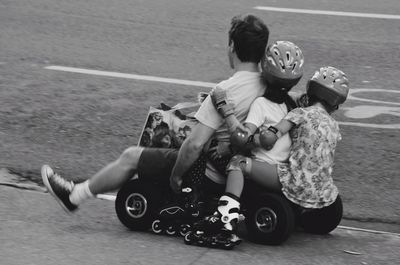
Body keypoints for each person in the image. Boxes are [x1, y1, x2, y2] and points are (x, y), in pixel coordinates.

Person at [41, 14, 270, 222]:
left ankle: (74, 196)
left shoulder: (225, 90)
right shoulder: (268, 85)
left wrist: (177, 175)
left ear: (232, 46)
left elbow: (195, 145)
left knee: (132, 154)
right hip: (244, 164)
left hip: (211, 170)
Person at [207, 66, 349, 238]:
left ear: (310, 90)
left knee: (238, 163)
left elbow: (268, 139)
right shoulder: (334, 125)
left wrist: (241, 142)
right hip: (322, 188)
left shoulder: (300, 114)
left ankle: (225, 218)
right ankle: (301, 212)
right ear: (335, 104)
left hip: (295, 181)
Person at [187, 41, 305, 244]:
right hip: (289, 169)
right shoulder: (293, 104)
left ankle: (225, 218)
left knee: (235, 163)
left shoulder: (261, 104)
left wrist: (227, 119)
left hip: (265, 168)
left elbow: (243, 138)